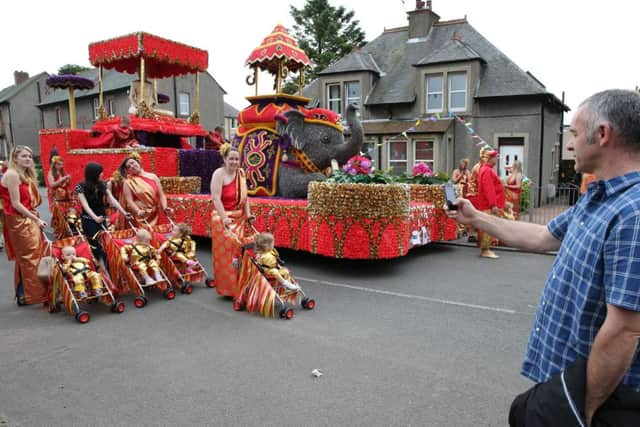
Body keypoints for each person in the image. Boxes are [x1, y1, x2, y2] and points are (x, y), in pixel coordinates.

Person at [446, 89, 640, 425]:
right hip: (568, 382)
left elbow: (626, 330)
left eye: (575, 134)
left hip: (595, 399)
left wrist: (582, 410)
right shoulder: (599, 198)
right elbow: (542, 236)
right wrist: (476, 217)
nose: (569, 144)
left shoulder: (633, 212)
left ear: (603, 134)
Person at [0, 146, 48, 305]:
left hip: (24, 218)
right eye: (24, 156)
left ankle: (24, 293)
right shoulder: (13, 174)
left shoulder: (22, 174)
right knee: (29, 257)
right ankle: (33, 294)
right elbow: (16, 204)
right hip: (19, 220)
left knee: (29, 256)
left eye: (30, 156)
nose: (28, 159)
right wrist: (36, 219)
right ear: (15, 158)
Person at [210, 142, 254, 297]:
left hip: (239, 218)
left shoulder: (241, 173)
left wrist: (248, 213)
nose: (234, 162)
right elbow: (216, 198)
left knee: (240, 254)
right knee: (228, 257)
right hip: (223, 219)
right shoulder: (218, 174)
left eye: (237, 159)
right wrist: (224, 218)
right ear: (224, 159)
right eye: (231, 159)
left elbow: (245, 196)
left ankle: (241, 285)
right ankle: (228, 289)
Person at [75, 162, 129, 265]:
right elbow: (85, 205)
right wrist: (95, 218)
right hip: (89, 219)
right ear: (94, 174)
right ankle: (99, 266)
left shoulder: (102, 184)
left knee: (105, 243)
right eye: (100, 173)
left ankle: (108, 266)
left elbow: (112, 199)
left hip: (102, 218)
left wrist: (124, 212)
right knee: (95, 244)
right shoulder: (80, 186)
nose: (102, 174)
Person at [118, 155, 173, 227]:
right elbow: (129, 201)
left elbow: (161, 195)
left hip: (155, 214)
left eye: (132, 163)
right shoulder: (128, 182)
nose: (132, 166)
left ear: (138, 162)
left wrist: (165, 207)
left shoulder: (153, 177)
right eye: (128, 166)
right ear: (128, 171)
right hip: (141, 216)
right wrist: (138, 211)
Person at [475, 149, 505, 259]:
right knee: (488, 227)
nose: (497, 159)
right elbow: (489, 189)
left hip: (487, 204)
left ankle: (486, 249)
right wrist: (493, 205)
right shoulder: (487, 170)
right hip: (488, 205)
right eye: (496, 157)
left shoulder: (486, 169)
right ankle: (485, 250)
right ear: (491, 158)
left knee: (487, 227)